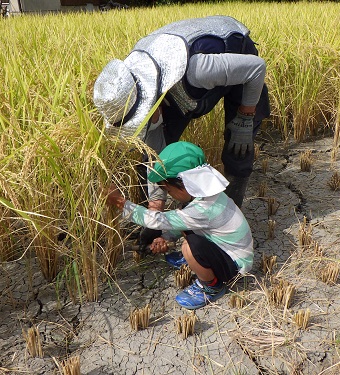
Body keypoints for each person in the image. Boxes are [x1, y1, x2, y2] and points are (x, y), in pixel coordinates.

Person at [94, 15, 270, 210]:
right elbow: (156, 158)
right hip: (174, 89)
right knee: (153, 152)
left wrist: (245, 117)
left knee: (238, 143)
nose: (144, 128)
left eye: (142, 120)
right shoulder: (130, 90)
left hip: (237, 57)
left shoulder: (197, 70)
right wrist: (155, 212)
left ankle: (229, 211)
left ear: (153, 103)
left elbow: (256, 68)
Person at [104, 141, 254, 310]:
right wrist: (166, 237)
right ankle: (201, 262)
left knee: (189, 247)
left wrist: (119, 202)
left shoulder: (202, 209)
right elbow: (182, 223)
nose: (169, 195)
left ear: (183, 184)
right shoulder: (208, 197)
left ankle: (212, 286)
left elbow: (155, 219)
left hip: (235, 266)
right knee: (183, 216)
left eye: (168, 190)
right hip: (228, 251)